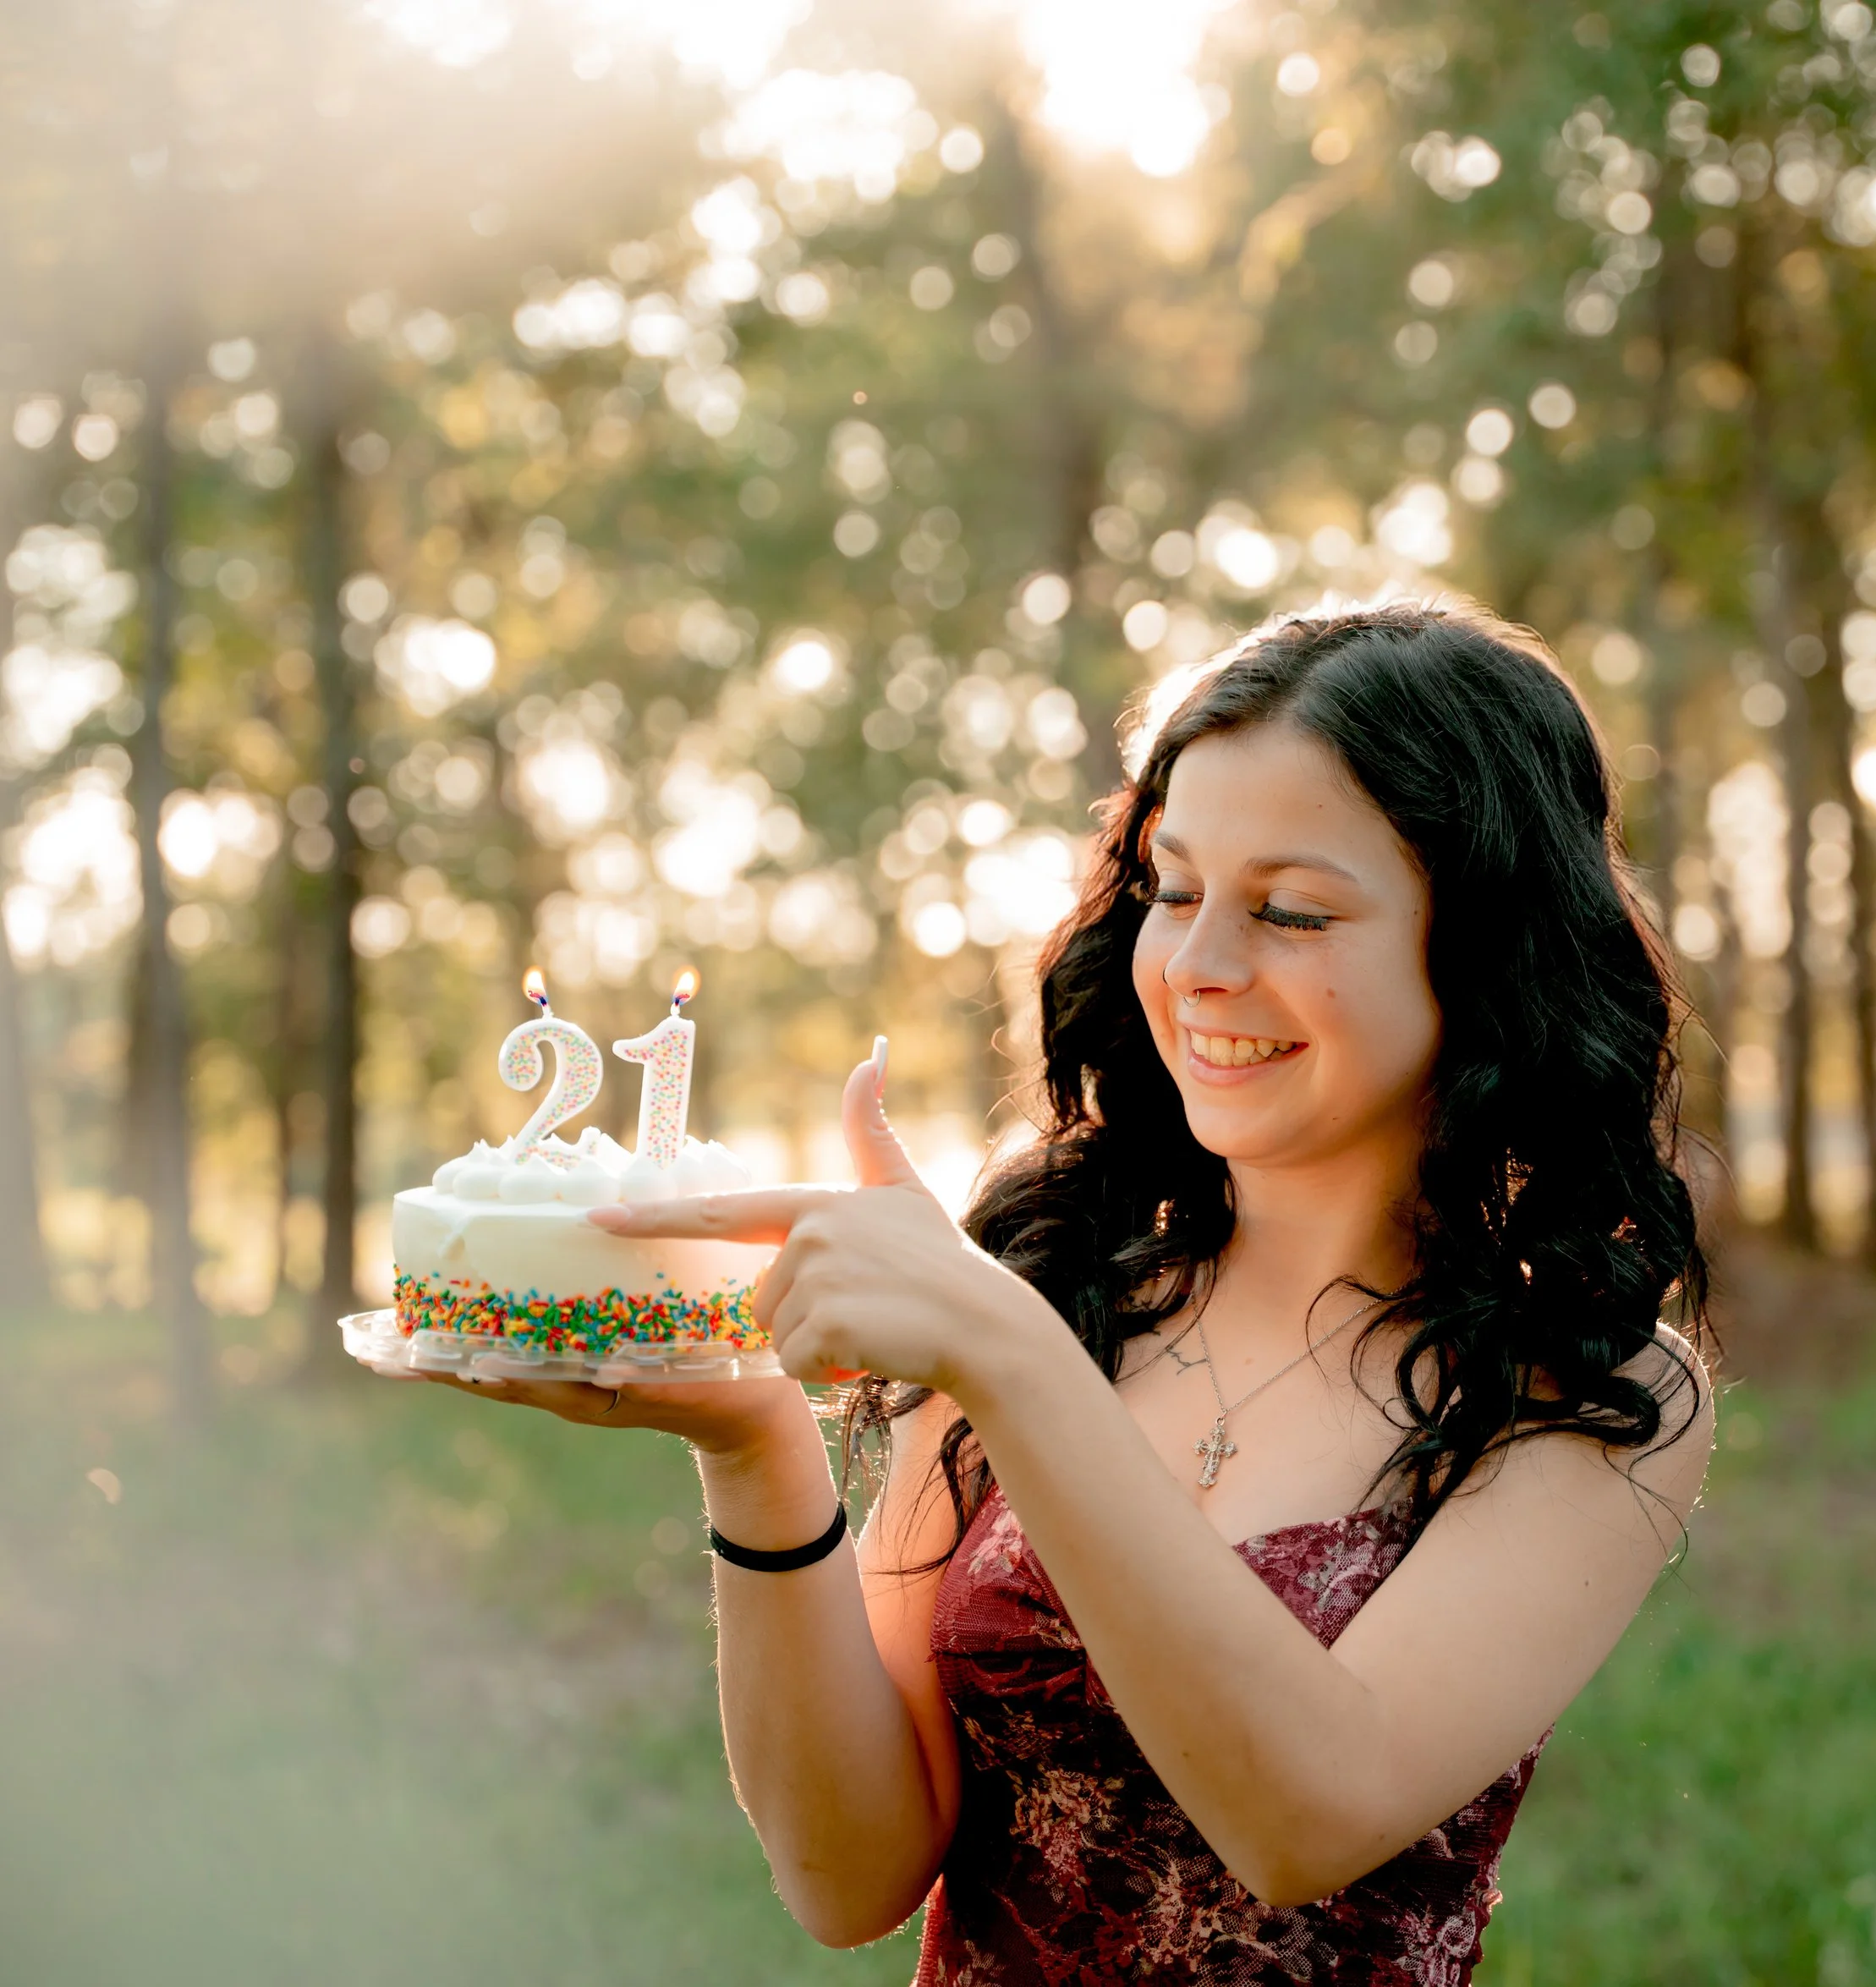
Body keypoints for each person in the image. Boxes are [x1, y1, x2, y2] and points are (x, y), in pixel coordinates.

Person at [435, 600, 1714, 1984]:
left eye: (1290, 910)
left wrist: (1007, 1353)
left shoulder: (1592, 1390)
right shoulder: (1058, 1278)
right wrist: (757, 1446)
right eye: (1174, 889)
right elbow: (850, 1875)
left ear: (1487, 947)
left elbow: (1306, 1820)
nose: (1200, 966)